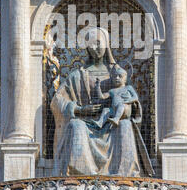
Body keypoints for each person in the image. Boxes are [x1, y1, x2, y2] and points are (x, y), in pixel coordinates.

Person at [50, 27, 153, 177]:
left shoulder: (119, 74)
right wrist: (79, 110)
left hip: (112, 124)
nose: (94, 47)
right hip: (86, 124)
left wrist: (124, 109)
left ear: (106, 44)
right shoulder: (77, 76)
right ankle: (82, 174)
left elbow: (132, 101)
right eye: (90, 44)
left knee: (125, 125)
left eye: (98, 43)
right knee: (75, 125)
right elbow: (56, 101)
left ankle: (123, 174)